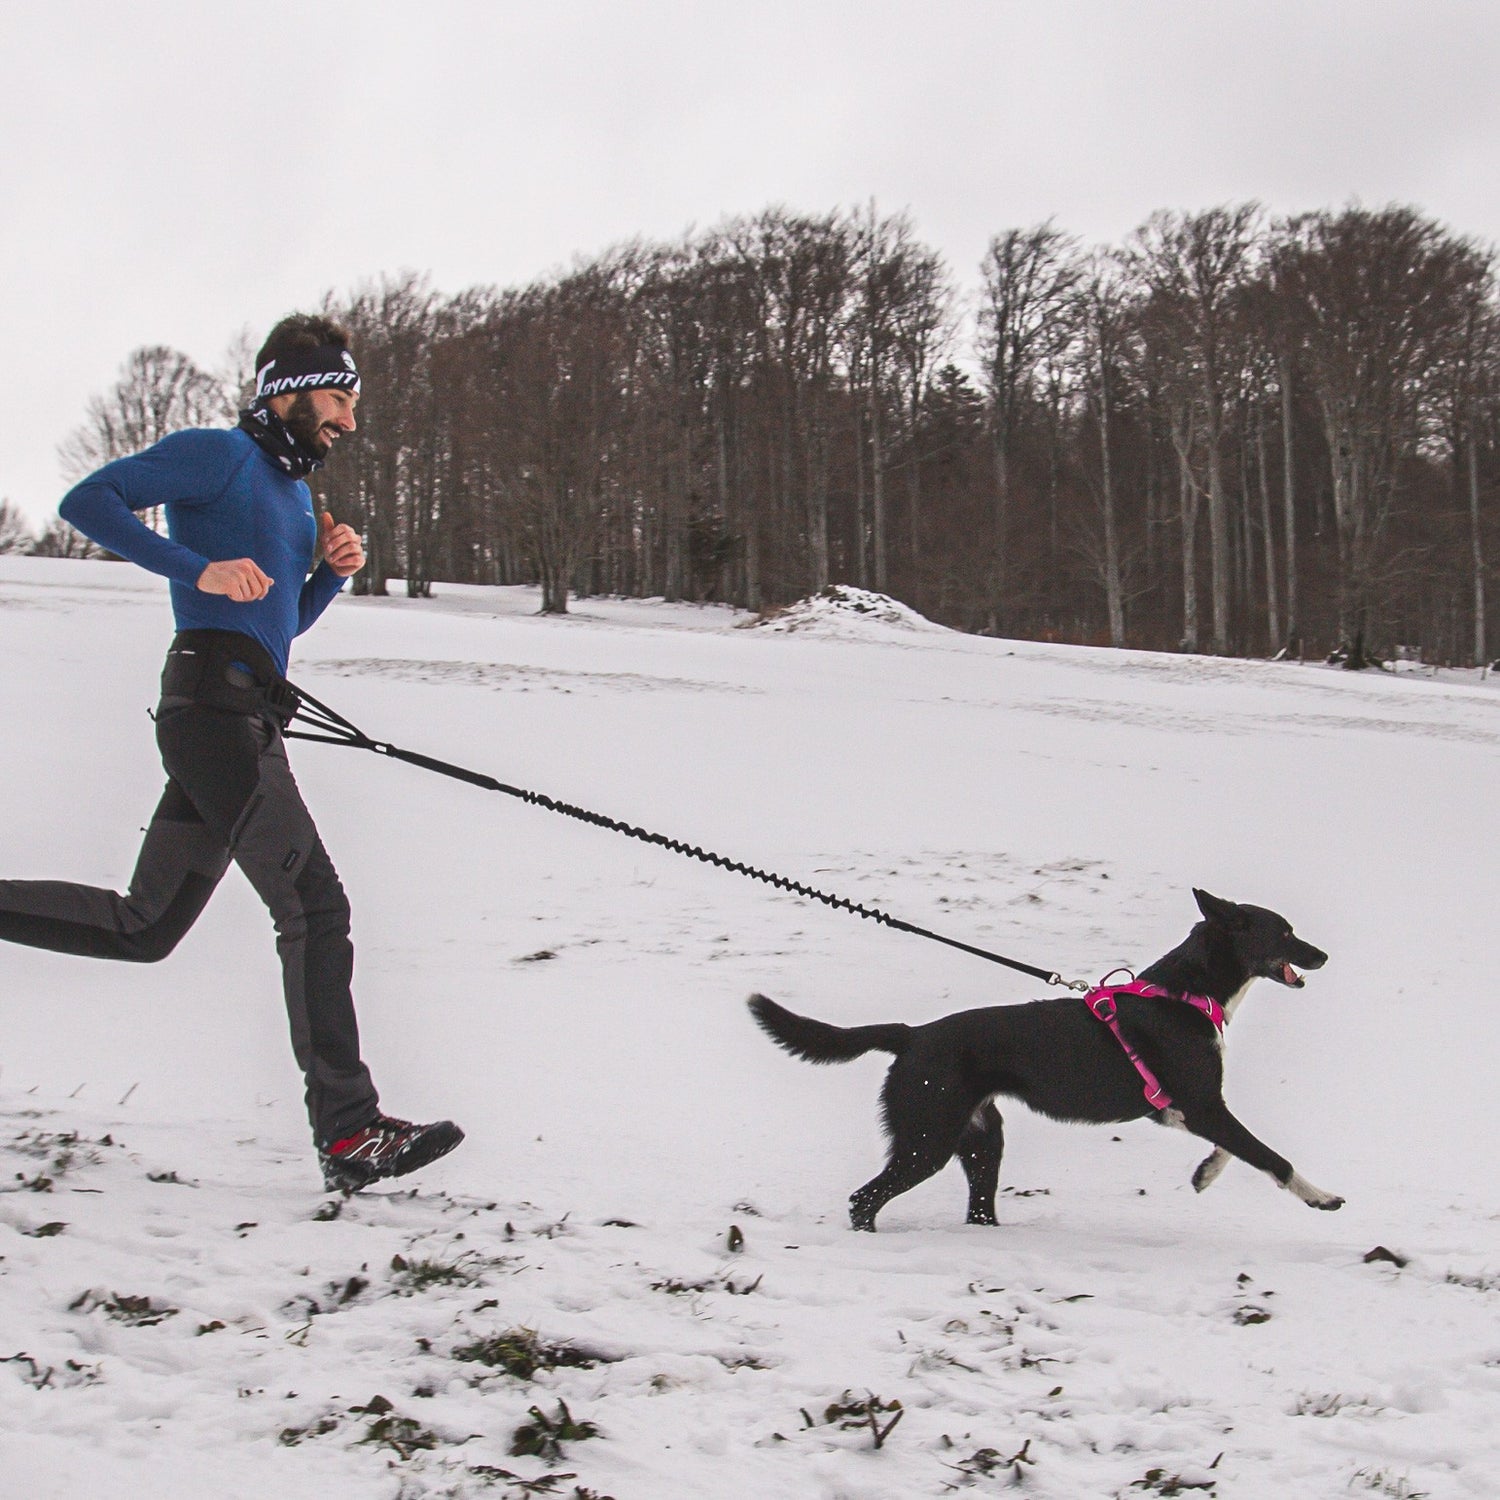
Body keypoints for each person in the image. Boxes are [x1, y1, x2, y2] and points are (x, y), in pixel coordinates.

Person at [0, 313, 462, 1193]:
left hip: (244, 713)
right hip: (213, 715)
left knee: (145, 928)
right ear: (287, 393)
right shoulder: (218, 454)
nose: (350, 420)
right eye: (337, 398)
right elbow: (87, 501)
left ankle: (349, 1132)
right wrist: (192, 566)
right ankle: (350, 1131)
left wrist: (330, 575)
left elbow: (278, 625)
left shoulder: (292, 496)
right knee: (315, 907)